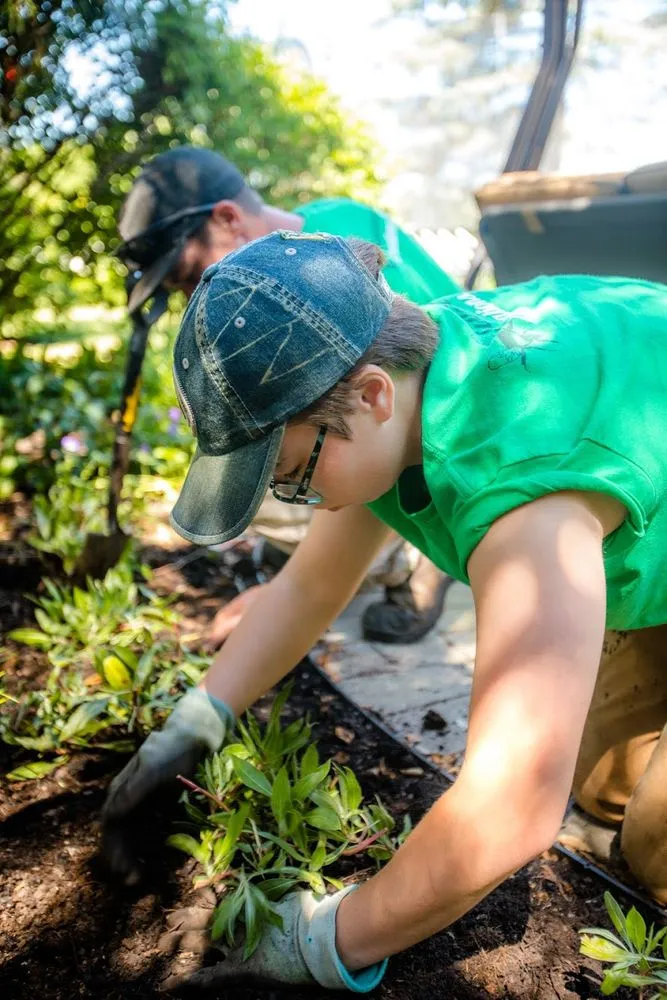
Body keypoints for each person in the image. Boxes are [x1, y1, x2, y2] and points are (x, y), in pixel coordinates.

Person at [104, 231, 667, 991]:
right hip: (642, 510)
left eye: (286, 473)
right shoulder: (402, 382)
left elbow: (513, 804)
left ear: (369, 395)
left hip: (597, 485)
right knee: (603, 795)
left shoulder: (523, 494)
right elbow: (306, 587)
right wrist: (199, 717)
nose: (284, 497)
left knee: (653, 846)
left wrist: (321, 941)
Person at [116, 145, 458, 645]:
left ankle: (420, 559)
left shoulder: (341, 276)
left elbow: (391, 428)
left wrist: (292, 588)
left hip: (428, 444)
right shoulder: (310, 231)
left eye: (191, 277)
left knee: (283, 466)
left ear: (228, 218)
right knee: (251, 462)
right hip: (376, 431)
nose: (195, 298)